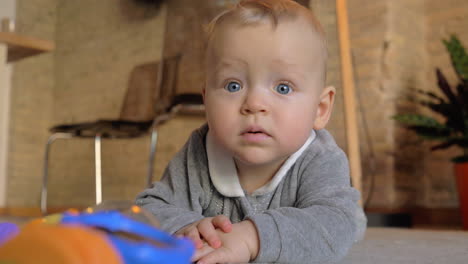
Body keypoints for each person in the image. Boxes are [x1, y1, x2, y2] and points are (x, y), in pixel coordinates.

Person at [136, 0, 367, 263]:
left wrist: (252, 237)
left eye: (283, 88)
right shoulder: (201, 151)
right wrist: (185, 227)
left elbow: (337, 224)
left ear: (320, 109)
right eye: (233, 85)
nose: (254, 104)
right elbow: (149, 208)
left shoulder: (319, 157)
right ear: (206, 101)